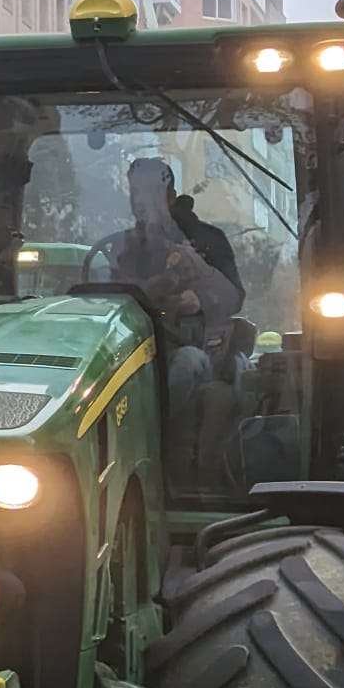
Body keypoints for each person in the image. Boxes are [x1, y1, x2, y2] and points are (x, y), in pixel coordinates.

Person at [107, 158, 245, 484]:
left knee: (189, 362)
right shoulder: (125, 248)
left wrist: (202, 296)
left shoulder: (208, 240)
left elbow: (233, 298)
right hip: (135, 351)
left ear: (167, 192)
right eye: (133, 191)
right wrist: (166, 285)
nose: (138, 200)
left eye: (147, 191)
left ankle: (145, 440)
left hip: (197, 347)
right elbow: (114, 295)